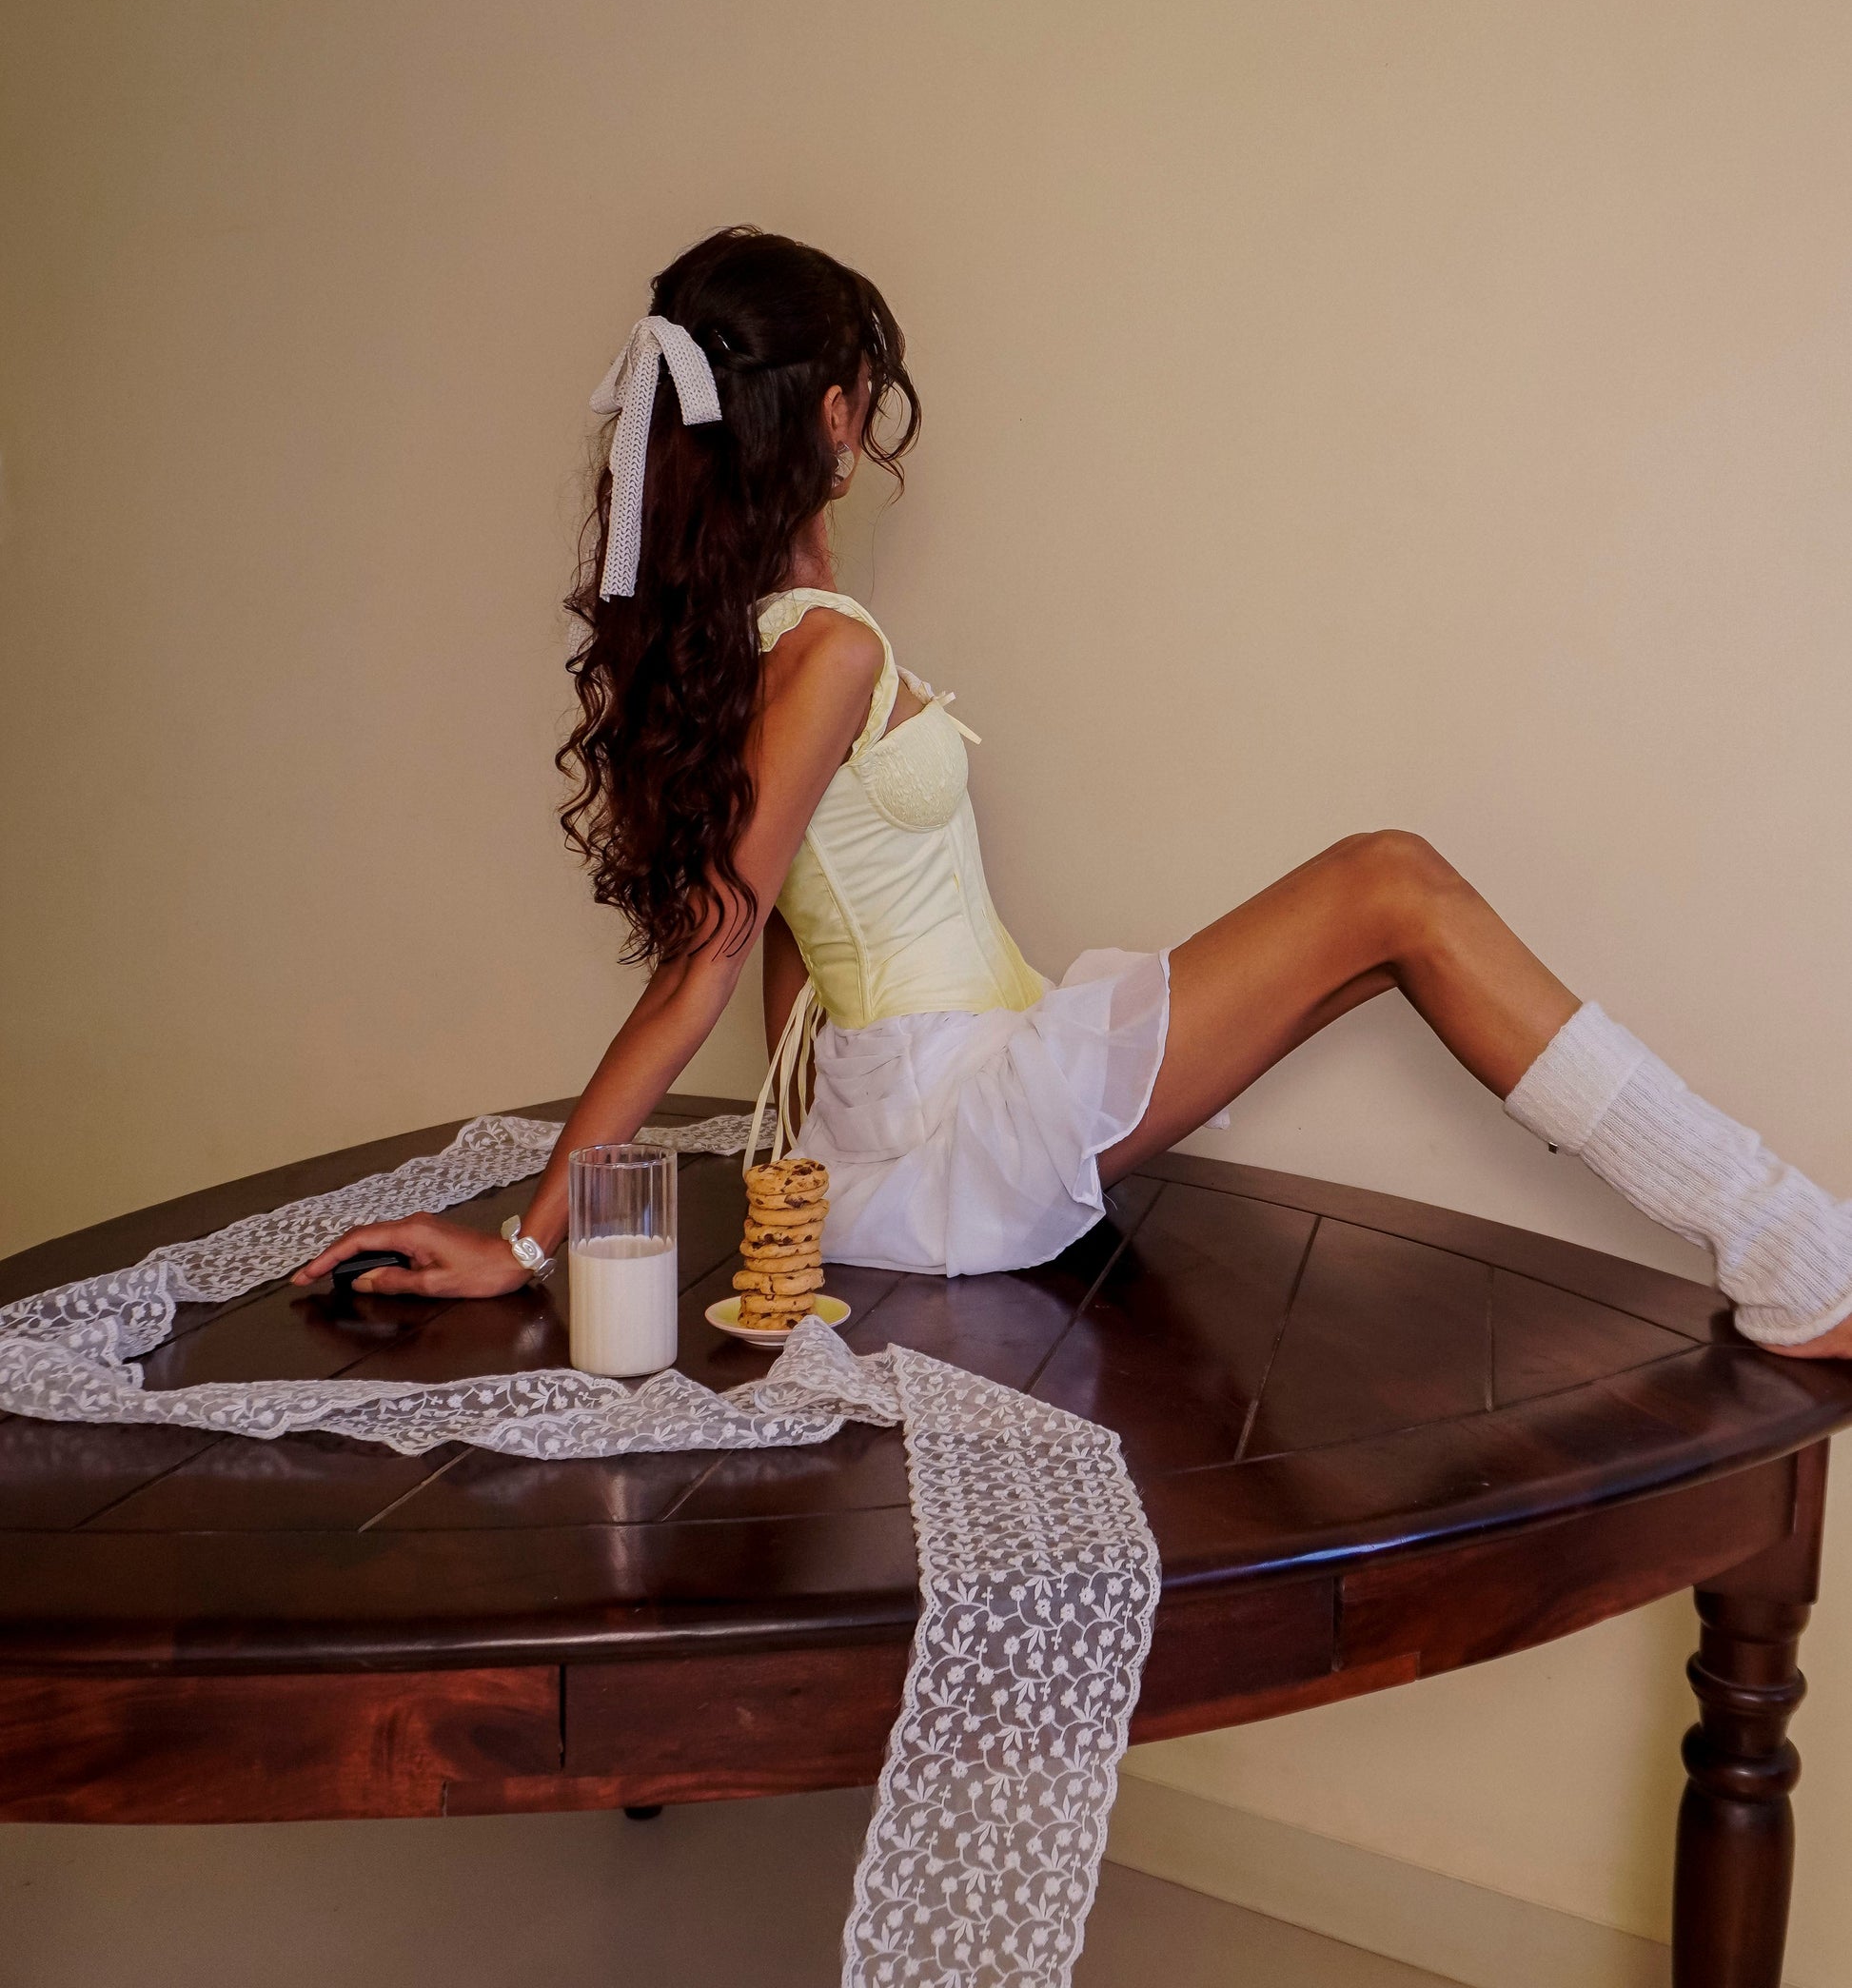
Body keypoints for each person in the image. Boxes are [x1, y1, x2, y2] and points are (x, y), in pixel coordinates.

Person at [294, 227, 1852, 1360]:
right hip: (950, 1116)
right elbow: (709, 955)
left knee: (1388, 931)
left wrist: (807, 1146)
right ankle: (1798, 1259)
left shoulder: (759, 646)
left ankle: (1798, 1254)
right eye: (861, 393)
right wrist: (526, 1245)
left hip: (928, 1099)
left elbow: (789, 939)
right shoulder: (824, 653)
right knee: (1390, 880)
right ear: (830, 413)